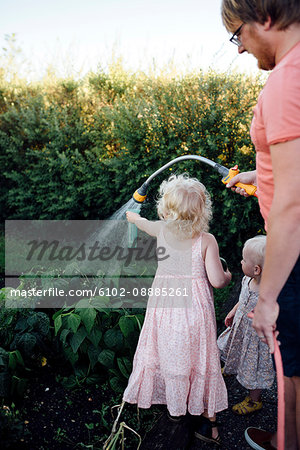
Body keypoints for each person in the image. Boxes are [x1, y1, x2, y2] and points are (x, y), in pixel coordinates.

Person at [221, 1, 300, 449]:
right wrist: (259, 173)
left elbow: (293, 203)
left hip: (293, 255)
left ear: (265, 18)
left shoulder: (286, 80)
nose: (239, 49)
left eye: (238, 34)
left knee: (293, 364)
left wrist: (266, 298)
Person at [122, 174, 232, 445]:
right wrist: (228, 275)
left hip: (166, 309)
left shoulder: (162, 230)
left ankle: (175, 406)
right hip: (195, 313)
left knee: (172, 352)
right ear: (202, 212)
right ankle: (209, 424)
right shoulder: (206, 240)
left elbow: (144, 224)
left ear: (166, 210)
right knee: (200, 358)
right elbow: (218, 281)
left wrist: (133, 218)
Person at [217, 236, 275, 415]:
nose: (241, 261)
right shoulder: (247, 280)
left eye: (243, 260)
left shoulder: (268, 293)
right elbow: (242, 300)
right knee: (233, 349)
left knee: (253, 371)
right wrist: (234, 311)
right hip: (241, 330)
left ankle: (254, 400)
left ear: (256, 269)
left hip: (256, 341)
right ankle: (230, 367)